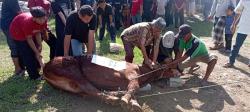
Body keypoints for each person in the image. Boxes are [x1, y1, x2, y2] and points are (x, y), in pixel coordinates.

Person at [10, 7, 48, 80]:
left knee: (36, 51)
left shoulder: (43, 20)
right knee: (28, 54)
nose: (43, 20)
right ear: (34, 18)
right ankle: (34, 76)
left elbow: (38, 32)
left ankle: (37, 67)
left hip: (29, 32)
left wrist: (39, 45)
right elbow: (29, 39)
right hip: (18, 33)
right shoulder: (28, 23)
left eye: (44, 18)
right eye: (40, 19)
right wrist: (36, 52)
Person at [0, 0, 24, 76]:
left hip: (11, 25)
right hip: (9, 26)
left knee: (17, 45)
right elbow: (19, 13)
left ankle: (21, 67)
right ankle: (17, 69)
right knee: (14, 47)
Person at [224, 0, 250, 68]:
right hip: (244, 26)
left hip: (244, 26)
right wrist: (234, 24)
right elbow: (238, 12)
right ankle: (231, 62)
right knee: (237, 45)